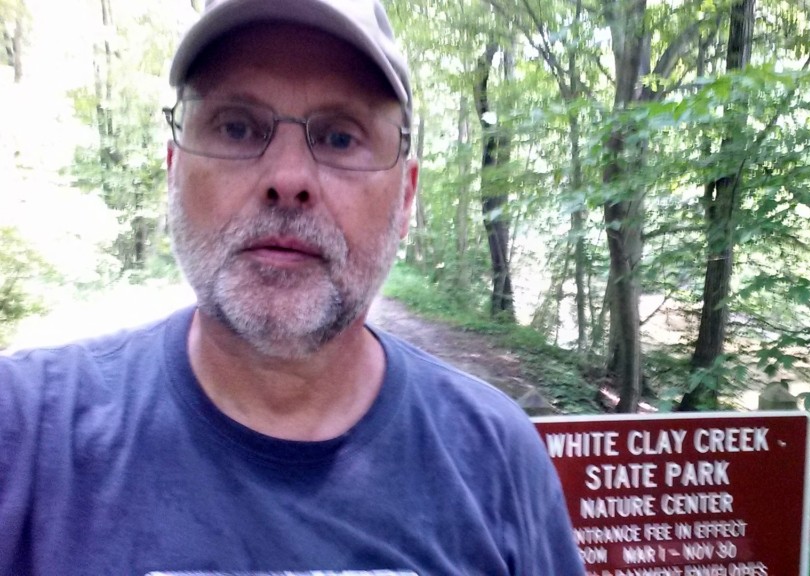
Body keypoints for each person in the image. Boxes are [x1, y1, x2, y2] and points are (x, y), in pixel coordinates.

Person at [0, 1, 586, 574]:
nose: (287, 180)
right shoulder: (25, 432)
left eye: (338, 138)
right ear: (174, 170)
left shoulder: (497, 459)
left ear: (405, 197)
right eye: (236, 127)